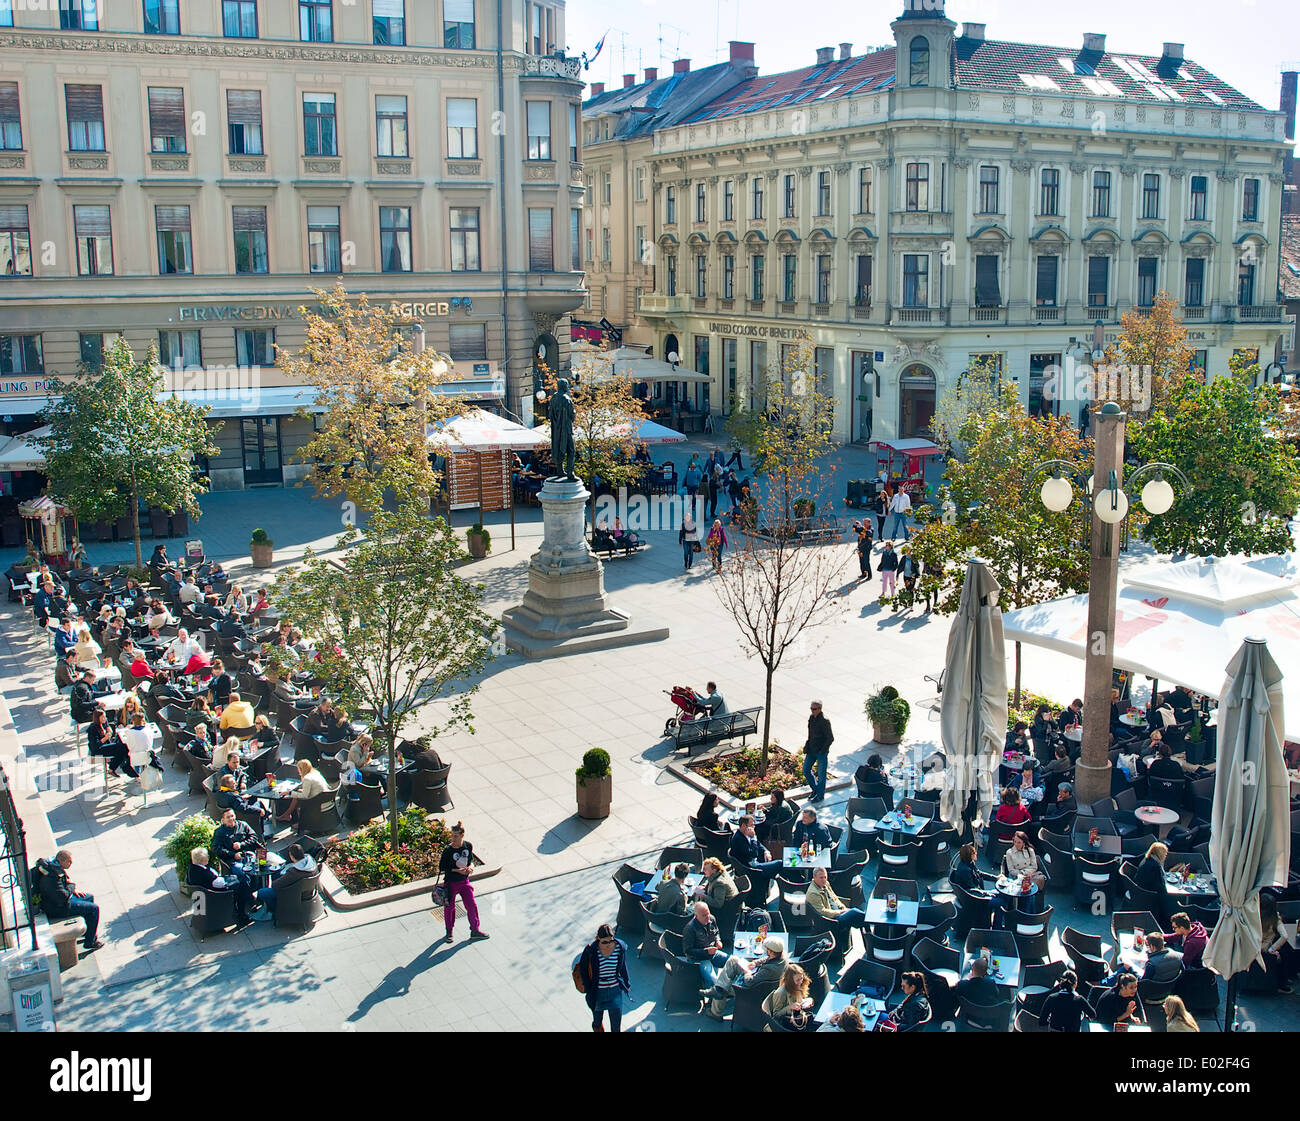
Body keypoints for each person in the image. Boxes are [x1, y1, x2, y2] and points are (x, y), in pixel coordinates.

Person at [706, 933, 789, 1021]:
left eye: (767, 950)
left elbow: (749, 982)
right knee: (733, 960)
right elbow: (767, 958)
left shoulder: (769, 969)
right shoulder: (783, 959)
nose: (766, 951)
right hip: (762, 983)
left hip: (753, 990)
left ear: (771, 952)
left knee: (724, 986)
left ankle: (716, 1012)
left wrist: (747, 972)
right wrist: (755, 963)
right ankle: (718, 989)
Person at [34, 849, 103, 951]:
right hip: (58, 907)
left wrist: (71, 888)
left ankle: (88, 933)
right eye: (69, 861)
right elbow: (63, 897)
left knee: (89, 897)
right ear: (62, 861)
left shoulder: (54, 867)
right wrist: (71, 886)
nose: (71, 863)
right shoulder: (52, 877)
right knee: (94, 909)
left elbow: (64, 886)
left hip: (62, 900)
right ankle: (90, 942)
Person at [439, 822, 487, 943]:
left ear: (462, 835)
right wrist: (457, 870)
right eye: (452, 835)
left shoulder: (468, 846)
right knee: (449, 908)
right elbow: (442, 867)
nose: (453, 838)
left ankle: (475, 930)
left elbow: (470, 861)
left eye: (456, 836)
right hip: (451, 883)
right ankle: (449, 932)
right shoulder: (448, 851)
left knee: (471, 905)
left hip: (464, 881)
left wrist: (470, 867)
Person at [577, 924, 631, 1032]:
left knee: (616, 1026)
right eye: (604, 942)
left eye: (610, 941)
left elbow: (622, 966)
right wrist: (588, 987)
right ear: (598, 939)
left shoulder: (619, 948)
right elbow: (583, 970)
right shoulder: (591, 951)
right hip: (598, 992)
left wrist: (626, 982)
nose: (608, 944)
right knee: (597, 1022)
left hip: (614, 991)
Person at [187, 846, 254, 925]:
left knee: (237, 879)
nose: (208, 857)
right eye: (207, 857)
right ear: (202, 860)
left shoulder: (192, 868)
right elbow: (220, 884)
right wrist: (230, 879)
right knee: (241, 887)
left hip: (204, 893)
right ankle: (242, 916)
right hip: (215, 895)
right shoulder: (205, 873)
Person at [254, 843, 318, 922]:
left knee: (261, 892)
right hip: (306, 891)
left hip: (291, 895)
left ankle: (275, 911)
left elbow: (275, 885)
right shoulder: (311, 862)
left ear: (291, 856)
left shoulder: (294, 872)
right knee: (277, 874)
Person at [682, 901, 728, 989]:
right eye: (704, 915)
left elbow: (716, 932)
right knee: (713, 980)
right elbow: (687, 951)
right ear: (696, 915)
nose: (707, 917)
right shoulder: (689, 929)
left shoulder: (711, 919)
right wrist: (705, 951)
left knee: (732, 961)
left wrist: (718, 940)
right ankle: (710, 998)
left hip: (713, 953)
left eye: (708, 913)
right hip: (699, 959)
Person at [805, 865, 867, 929]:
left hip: (838, 911)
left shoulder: (825, 883)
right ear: (814, 877)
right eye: (821, 878)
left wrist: (841, 906)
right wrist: (840, 912)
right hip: (831, 920)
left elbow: (834, 897)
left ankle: (867, 930)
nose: (823, 880)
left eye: (825, 877)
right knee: (855, 913)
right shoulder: (813, 893)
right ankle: (869, 931)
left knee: (858, 917)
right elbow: (822, 912)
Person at [763, 964, 816, 1031]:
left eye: (801, 978)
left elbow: (800, 1000)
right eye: (797, 980)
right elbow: (776, 1016)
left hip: (798, 1018)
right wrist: (790, 1007)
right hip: (786, 1025)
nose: (800, 982)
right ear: (790, 981)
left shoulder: (799, 985)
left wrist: (808, 1000)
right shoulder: (781, 993)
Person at [87, 709, 137, 778]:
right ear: (98, 718)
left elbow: (107, 724)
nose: (105, 719)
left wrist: (108, 728)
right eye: (103, 717)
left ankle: (114, 768)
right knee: (121, 749)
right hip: (98, 749)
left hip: (105, 744)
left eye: (105, 717)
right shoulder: (92, 729)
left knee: (123, 748)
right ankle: (121, 769)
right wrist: (105, 738)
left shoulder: (103, 722)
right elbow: (95, 745)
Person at [278, 758, 329, 824]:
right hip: (324, 796)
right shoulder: (315, 773)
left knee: (297, 799)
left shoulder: (307, 778)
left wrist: (290, 793)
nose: (298, 771)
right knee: (298, 793)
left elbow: (305, 796)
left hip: (317, 800)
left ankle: (301, 822)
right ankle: (287, 815)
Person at [210, 807, 260, 872]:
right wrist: (233, 855)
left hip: (248, 854)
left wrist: (242, 844)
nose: (231, 819)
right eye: (228, 817)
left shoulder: (243, 825)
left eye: (232, 816)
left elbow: (254, 837)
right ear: (223, 820)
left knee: (261, 866)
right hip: (232, 860)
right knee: (242, 871)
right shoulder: (219, 832)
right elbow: (215, 848)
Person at [802, 700, 833, 803]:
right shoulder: (811, 719)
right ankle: (815, 790)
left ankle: (820, 795)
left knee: (821, 774)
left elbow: (830, 738)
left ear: (820, 709)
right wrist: (807, 745)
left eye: (814, 709)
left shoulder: (824, 721)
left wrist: (822, 750)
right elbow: (810, 734)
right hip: (811, 750)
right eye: (811, 709)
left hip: (821, 752)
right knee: (806, 770)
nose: (812, 711)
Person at [1133, 841, 1172, 920]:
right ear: (1160, 854)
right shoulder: (1155, 866)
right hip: (1148, 893)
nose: (1165, 856)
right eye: (1165, 854)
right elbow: (1159, 886)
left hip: (1141, 888)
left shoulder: (1147, 859)